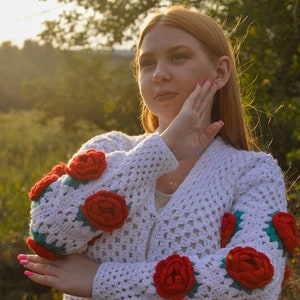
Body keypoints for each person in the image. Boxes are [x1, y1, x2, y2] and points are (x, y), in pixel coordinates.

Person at [18, 5, 298, 300]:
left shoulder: (252, 172)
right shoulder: (109, 149)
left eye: (178, 57)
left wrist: (101, 280)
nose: (160, 74)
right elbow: (49, 231)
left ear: (221, 70)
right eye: (147, 63)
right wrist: (160, 151)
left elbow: (253, 284)